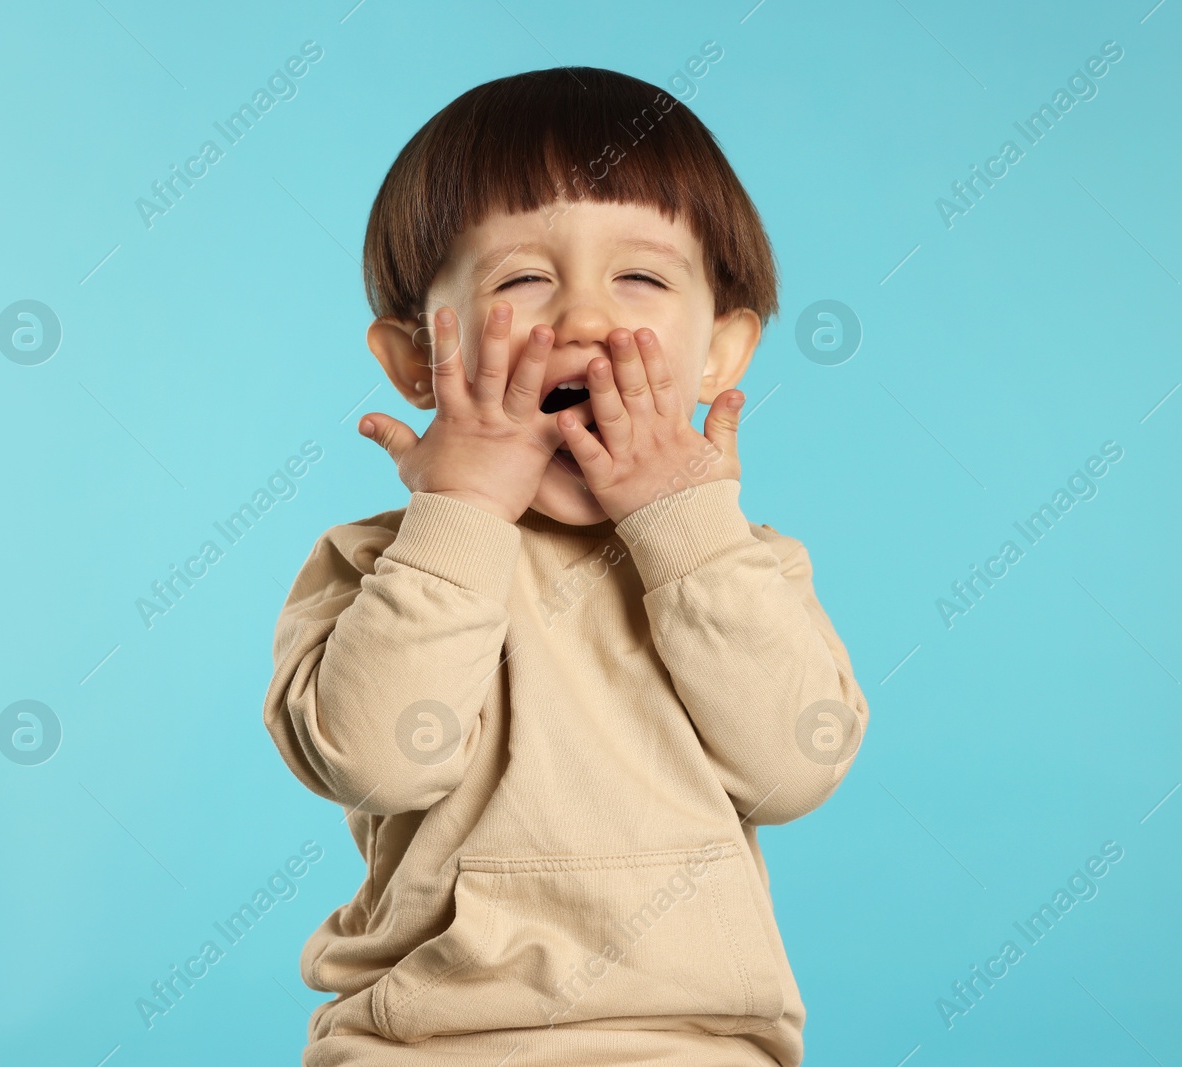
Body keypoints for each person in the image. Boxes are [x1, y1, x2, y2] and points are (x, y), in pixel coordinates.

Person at [263, 65, 869, 1067]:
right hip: (424, 1043)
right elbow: (374, 757)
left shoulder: (741, 564)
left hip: (694, 1041)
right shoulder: (374, 562)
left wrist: (687, 527)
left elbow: (793, 769)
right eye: (519, 280)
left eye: (639, 278)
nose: (585, 318)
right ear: (416, 360)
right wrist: (460, 512)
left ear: (718, 351)